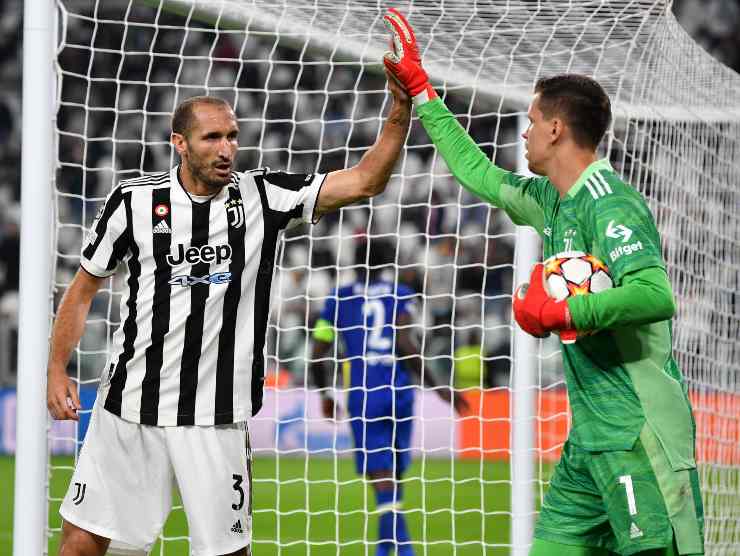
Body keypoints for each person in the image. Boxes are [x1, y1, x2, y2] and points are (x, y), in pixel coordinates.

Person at [46, 68, 411, 556]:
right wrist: (55, 368)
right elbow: (84, 286)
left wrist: (399, 113)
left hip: (216, 417)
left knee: (227, 552)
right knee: (82, 544)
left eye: (232, 137)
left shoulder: (262, 195)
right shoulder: (133, 202)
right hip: (130, 405)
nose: (226, 148)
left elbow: (365, 181)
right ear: (180, 142)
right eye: (212, 137)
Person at [382, 8, 704, 556]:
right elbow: (479, 173)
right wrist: (423, 92)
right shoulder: (552, 200)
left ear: (556, 129)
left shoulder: (613, 205)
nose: (525, 133)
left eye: (531, 122)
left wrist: (561, 314)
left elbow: (655, 295)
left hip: (639, 436)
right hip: (589, 442)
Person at [310, 237, 468, 556]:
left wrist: (326, 392)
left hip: (365, 396)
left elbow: (318, 350)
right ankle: (388, 548)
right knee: (393, 474)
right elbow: (405, 344)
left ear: (355, 262)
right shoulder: (401, 293)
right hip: (399, 393)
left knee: (380, 476)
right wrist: (440, 388)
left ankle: (402, 549)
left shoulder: (338, 298)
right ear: (386, 262)